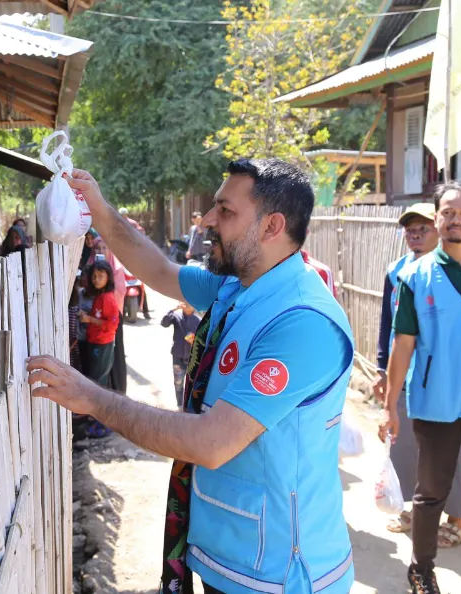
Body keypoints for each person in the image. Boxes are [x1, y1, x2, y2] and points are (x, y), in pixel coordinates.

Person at [27, 158, 355, 594]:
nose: (208, 221)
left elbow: (210, 442)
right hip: (228, 550)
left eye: (226, 211)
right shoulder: (240, 285)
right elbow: (160, 271)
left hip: (278, 573)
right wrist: (100, 211)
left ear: (273, 226)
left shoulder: (303, 322)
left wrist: (92, 397)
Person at [380, 182, 461, 594]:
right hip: (436, 405)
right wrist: (390, 406)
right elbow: (402, 343)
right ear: (437, 219)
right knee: (430, 496)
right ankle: (421, 573)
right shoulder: (415, 277)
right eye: (447, 212)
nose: (455, 219)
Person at [373, 203, 461, 548]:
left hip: (447, 377)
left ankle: (457, 519)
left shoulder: (456, 271)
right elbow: (388, 325)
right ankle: (414, 509)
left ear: (439, 230)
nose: (415, 234)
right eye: (410, 229)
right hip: (406, 373)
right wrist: (383, 369)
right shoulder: (396, 271)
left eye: (423, 228)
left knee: (453, 446)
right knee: (408, 445)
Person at [79, 258, 120, 438]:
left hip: (102, 345)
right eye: (94, 276)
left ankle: (103, 424)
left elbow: (112, 325)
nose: (96, 279)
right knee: (97, 381)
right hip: (96, 343)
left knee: (99, 383)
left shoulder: (108, 299)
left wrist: (89, 320)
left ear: (108, 277)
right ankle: (98, 419)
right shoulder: (100, 296)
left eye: (100, 276)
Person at [93, 237, 128, 394]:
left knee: (115, 351)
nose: (100, 252)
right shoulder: (91, 269)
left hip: (112, 319)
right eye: (97, 249)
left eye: (104, 248)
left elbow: (120, 292)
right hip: (95, 322)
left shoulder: (117, 270)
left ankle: (118, 389)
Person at [160, 302, 200, 409]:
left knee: (192, 384)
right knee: (178, 383)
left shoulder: (197, 320)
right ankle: (180, 406)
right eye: (185, 302)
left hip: (192, 357)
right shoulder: (176, 316)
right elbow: (164, 323)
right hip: (177, 356)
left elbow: (202, 340)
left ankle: (189, 406)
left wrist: (194, 340)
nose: (187, 304)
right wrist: (173, 309)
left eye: (189, 303)